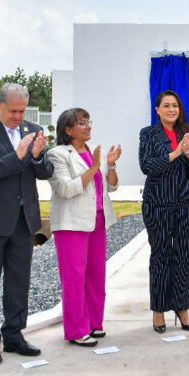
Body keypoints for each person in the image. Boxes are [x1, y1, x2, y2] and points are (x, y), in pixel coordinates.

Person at [0, 82, 53, 366]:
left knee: (19, 282)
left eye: (22, 111)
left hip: (24, 219)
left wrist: (39, 156)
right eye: (12, 111)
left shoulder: (33, 130)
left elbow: (44, 173)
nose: (18, 116)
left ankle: (15, 335)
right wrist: (17, 156)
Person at [47, 108, 121, 346]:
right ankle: (76, 330)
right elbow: (66, 189)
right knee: (74, 278)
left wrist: (110, 165)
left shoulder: (93, 152)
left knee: (96, 276)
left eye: (89, 122)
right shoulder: (58, 154)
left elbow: (111, 188)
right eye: (82, 123)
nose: (88, 126)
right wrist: (94, 167)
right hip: (71, 223)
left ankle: (94, 323)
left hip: (97, 219)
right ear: (68, 130)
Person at [139, 90, 189, 333]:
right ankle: (159, 311)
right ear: (157, 109)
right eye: (166, 105)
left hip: (187, 203)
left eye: (175, 106)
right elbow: (147, 166)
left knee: (184, 256)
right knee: (160, 256)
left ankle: (182, 308)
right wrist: (175, 153)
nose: (171, 109)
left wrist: (188, 152)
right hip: (158, 204)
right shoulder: (148, 134)